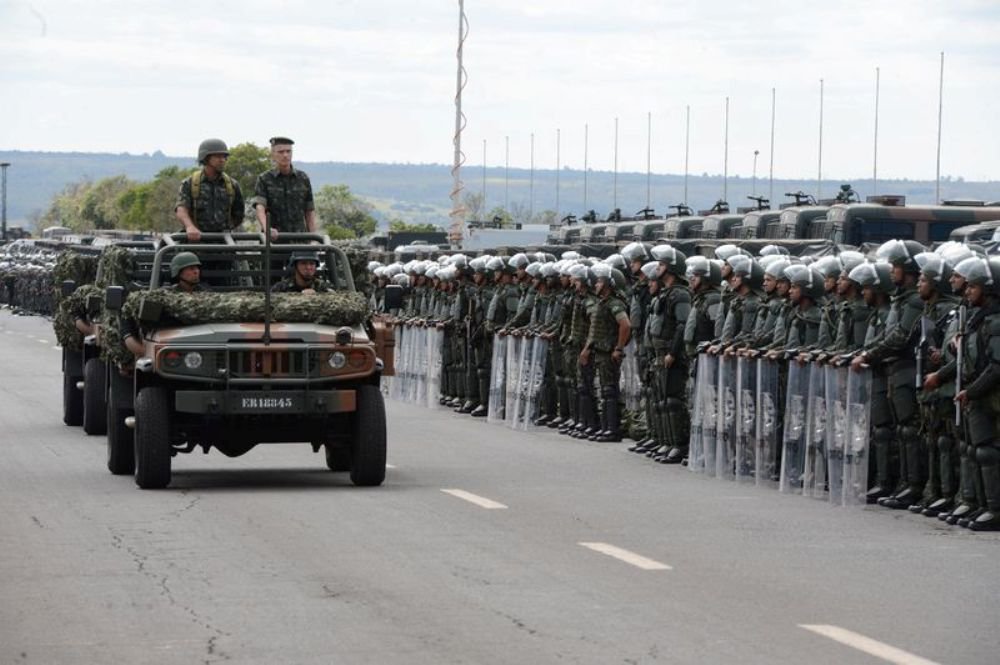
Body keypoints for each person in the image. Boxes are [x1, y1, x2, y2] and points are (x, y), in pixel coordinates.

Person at [123, 252, 208, 357]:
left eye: (197, 268)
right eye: (191, 268)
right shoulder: (165, 296)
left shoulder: (204, 293)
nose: (196, 271)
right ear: (179, 273)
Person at [176, 139, 245, 242]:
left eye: (224, 157)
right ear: (206, 158)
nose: (222, 160)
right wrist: (190, 227)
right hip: (196, 244)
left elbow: (239, 215)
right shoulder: (190, 183)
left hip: (224, 246)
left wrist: (225, 229)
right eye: (218, 156)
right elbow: (181, 210)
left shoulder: (232, 185)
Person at [253, 137, 317, 240]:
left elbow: (309, 211)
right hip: (274, 242)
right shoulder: (264, 179)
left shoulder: (303, 178)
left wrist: (314, 238)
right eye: (281, 152)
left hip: (300, 241)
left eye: (288, 151)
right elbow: (260, 208)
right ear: (273, 154)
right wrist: (266, 228)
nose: (285, 155)